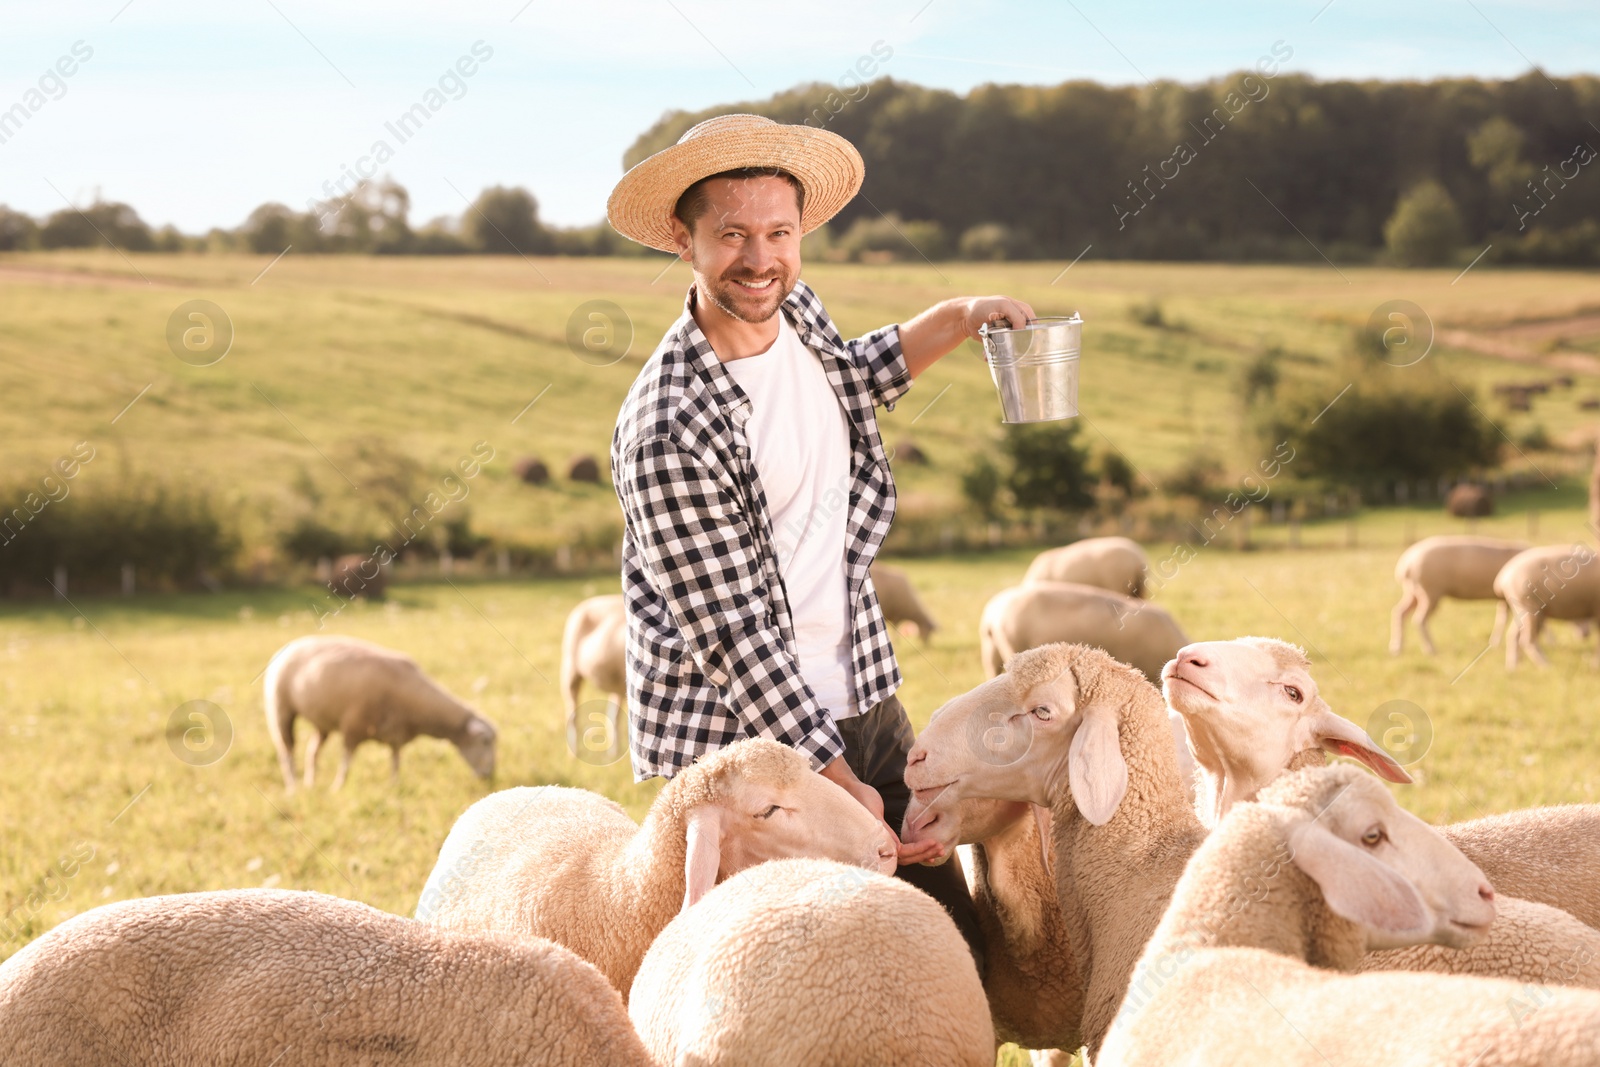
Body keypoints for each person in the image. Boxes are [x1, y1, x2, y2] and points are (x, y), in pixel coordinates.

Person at [605, 113, 1036, 970]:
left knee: (952, 954)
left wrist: (960, 316)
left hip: (862, 693)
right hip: (746, 750)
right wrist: (842, 790)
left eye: (779, 232)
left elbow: (855, 373)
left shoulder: (796, 312)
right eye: (731, 235)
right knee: (785, 977)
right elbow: (734, 642)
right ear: (682, 241)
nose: (760, 259)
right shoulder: (667, 426)